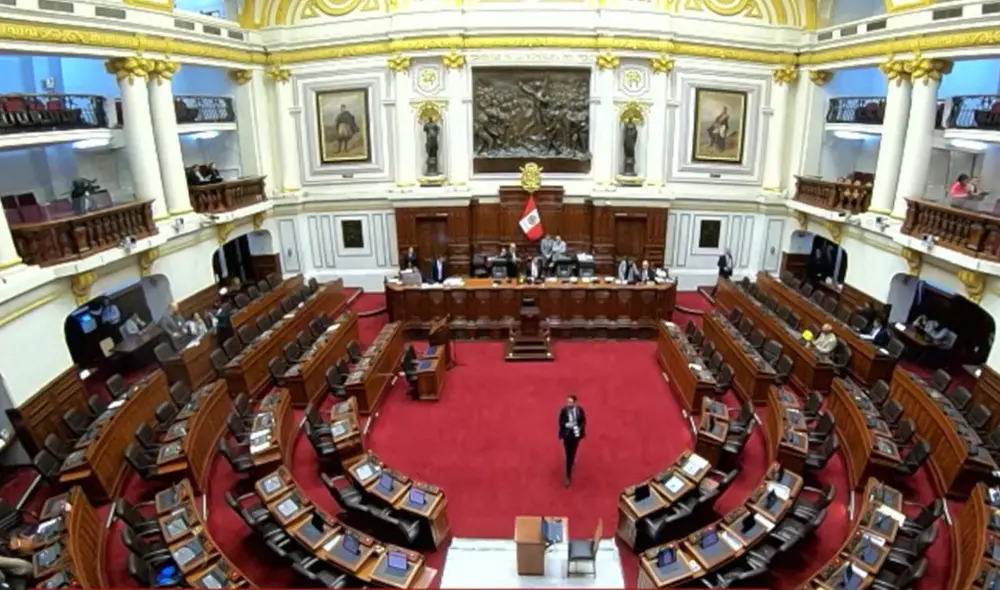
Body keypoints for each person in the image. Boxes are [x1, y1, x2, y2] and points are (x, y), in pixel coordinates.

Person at [558, 394, 586, 487]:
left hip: (576, 435)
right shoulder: (564, 411)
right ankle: (568, 476)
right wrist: (567, 425)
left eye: (570, 402)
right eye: (568, 402)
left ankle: (571, 462)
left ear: (574, 403)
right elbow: (560, 422)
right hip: (567, 435)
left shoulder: (579, 410)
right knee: (568, 454)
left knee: (573, 452)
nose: (568, 404)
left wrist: (579, 428)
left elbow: (583, 421)